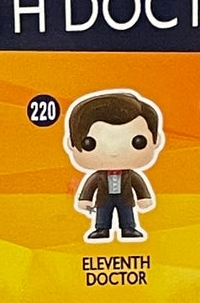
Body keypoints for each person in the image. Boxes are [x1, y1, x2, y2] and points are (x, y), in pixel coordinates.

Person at [65, 88, 161, 241]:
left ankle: (128, 228)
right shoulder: (98, 176)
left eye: (138, 142)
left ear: (157, 141)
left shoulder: (130, 175)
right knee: (103, 214)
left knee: (126, 213)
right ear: (71, 143)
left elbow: (138, 185)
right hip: (104, 199)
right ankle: (101, 228)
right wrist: (85, 199)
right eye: (90, 143)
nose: (114, 152)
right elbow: (90, 186)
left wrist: (143, 197)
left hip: (125, 199)